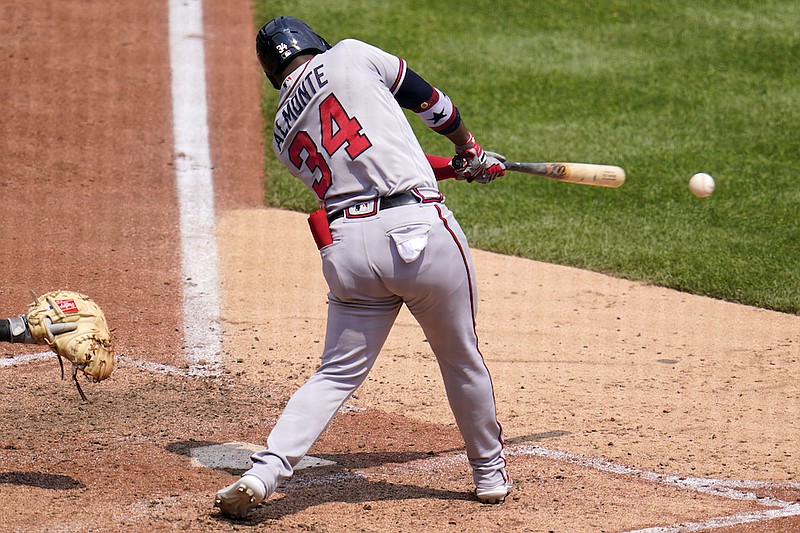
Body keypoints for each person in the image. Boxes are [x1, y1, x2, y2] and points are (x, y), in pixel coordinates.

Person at [215, 16, 510, 520]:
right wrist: (468, 149)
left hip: (349, 250)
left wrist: (454, 166)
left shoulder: (282, 134)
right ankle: (488, 474)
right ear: (315, 44)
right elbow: (430, 103)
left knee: (334, 374)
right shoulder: (350, 53)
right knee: (459, 356)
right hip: (418, 235)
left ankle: (264, 471)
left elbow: (362, 161)